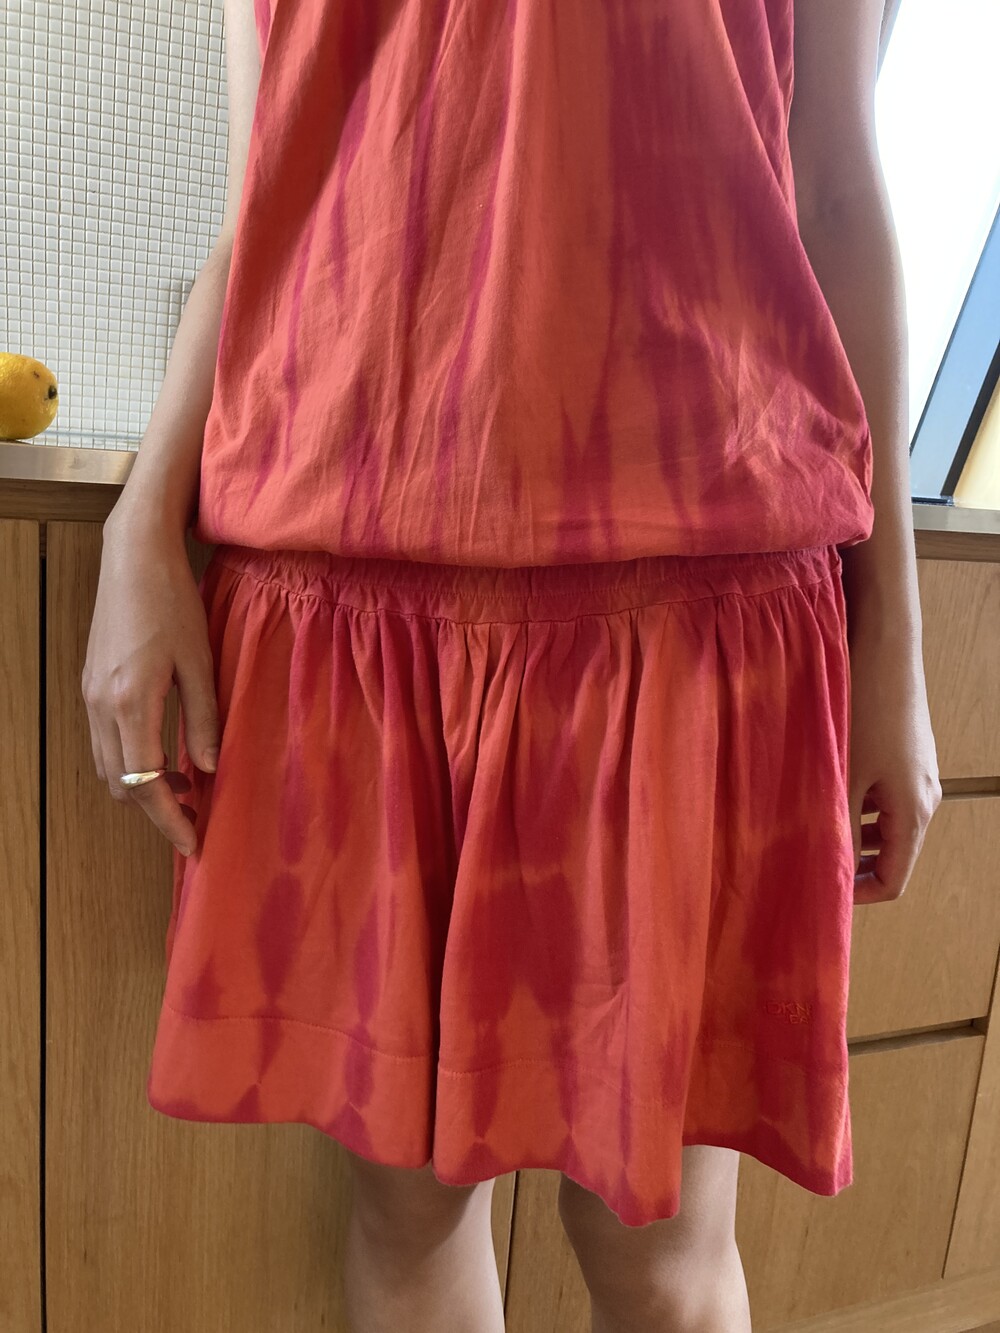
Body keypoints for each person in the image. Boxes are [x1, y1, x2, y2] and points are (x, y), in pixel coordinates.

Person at [82, 0, 942, 1328]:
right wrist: (141, 520)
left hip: (686, 619)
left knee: (662, 1255)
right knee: (408, 1217)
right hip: (356, 619)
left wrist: (894, 641)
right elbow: (266, 201)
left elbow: (836, 187)